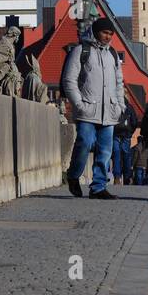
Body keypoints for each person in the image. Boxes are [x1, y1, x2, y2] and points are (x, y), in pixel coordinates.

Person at [62, 18, 127, 200]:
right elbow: (69, 80)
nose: (108, 37)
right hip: (87, 109)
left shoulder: (112, 54)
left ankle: (98, 187)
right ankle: (74, 175)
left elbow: (119, 83)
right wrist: (79, 104)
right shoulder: (81, 51)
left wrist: (120, 106)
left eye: (111, 34)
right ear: (96, 31)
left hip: (110, 111)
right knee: (85, 142)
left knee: (105, 151)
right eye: (105, 33)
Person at [112, 102, 139, 185]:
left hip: (115, 133)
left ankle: (117, 177)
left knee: (116, 154)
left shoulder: (114, 104)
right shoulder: (129, 106)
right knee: (126, 155)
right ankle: (127, 177)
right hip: (126, 134)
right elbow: (134, 121)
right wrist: (130, 132)